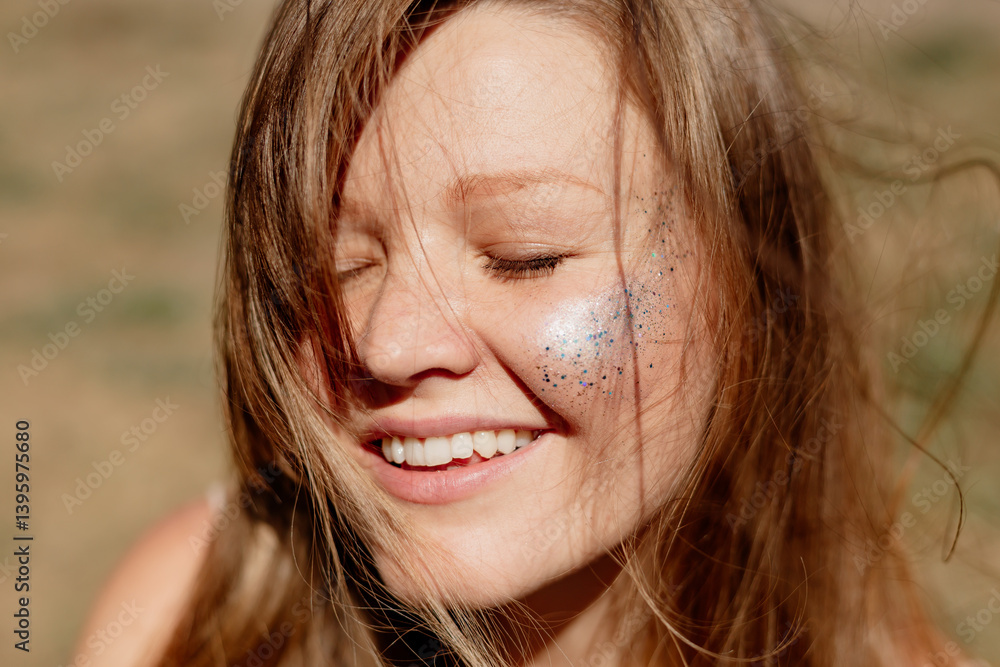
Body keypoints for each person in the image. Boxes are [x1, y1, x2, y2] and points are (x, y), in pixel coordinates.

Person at [73, 1, 997, 666]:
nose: (388, 342)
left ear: (753, 278)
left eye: (525, 256)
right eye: (337, 264)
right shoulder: (191, 610)